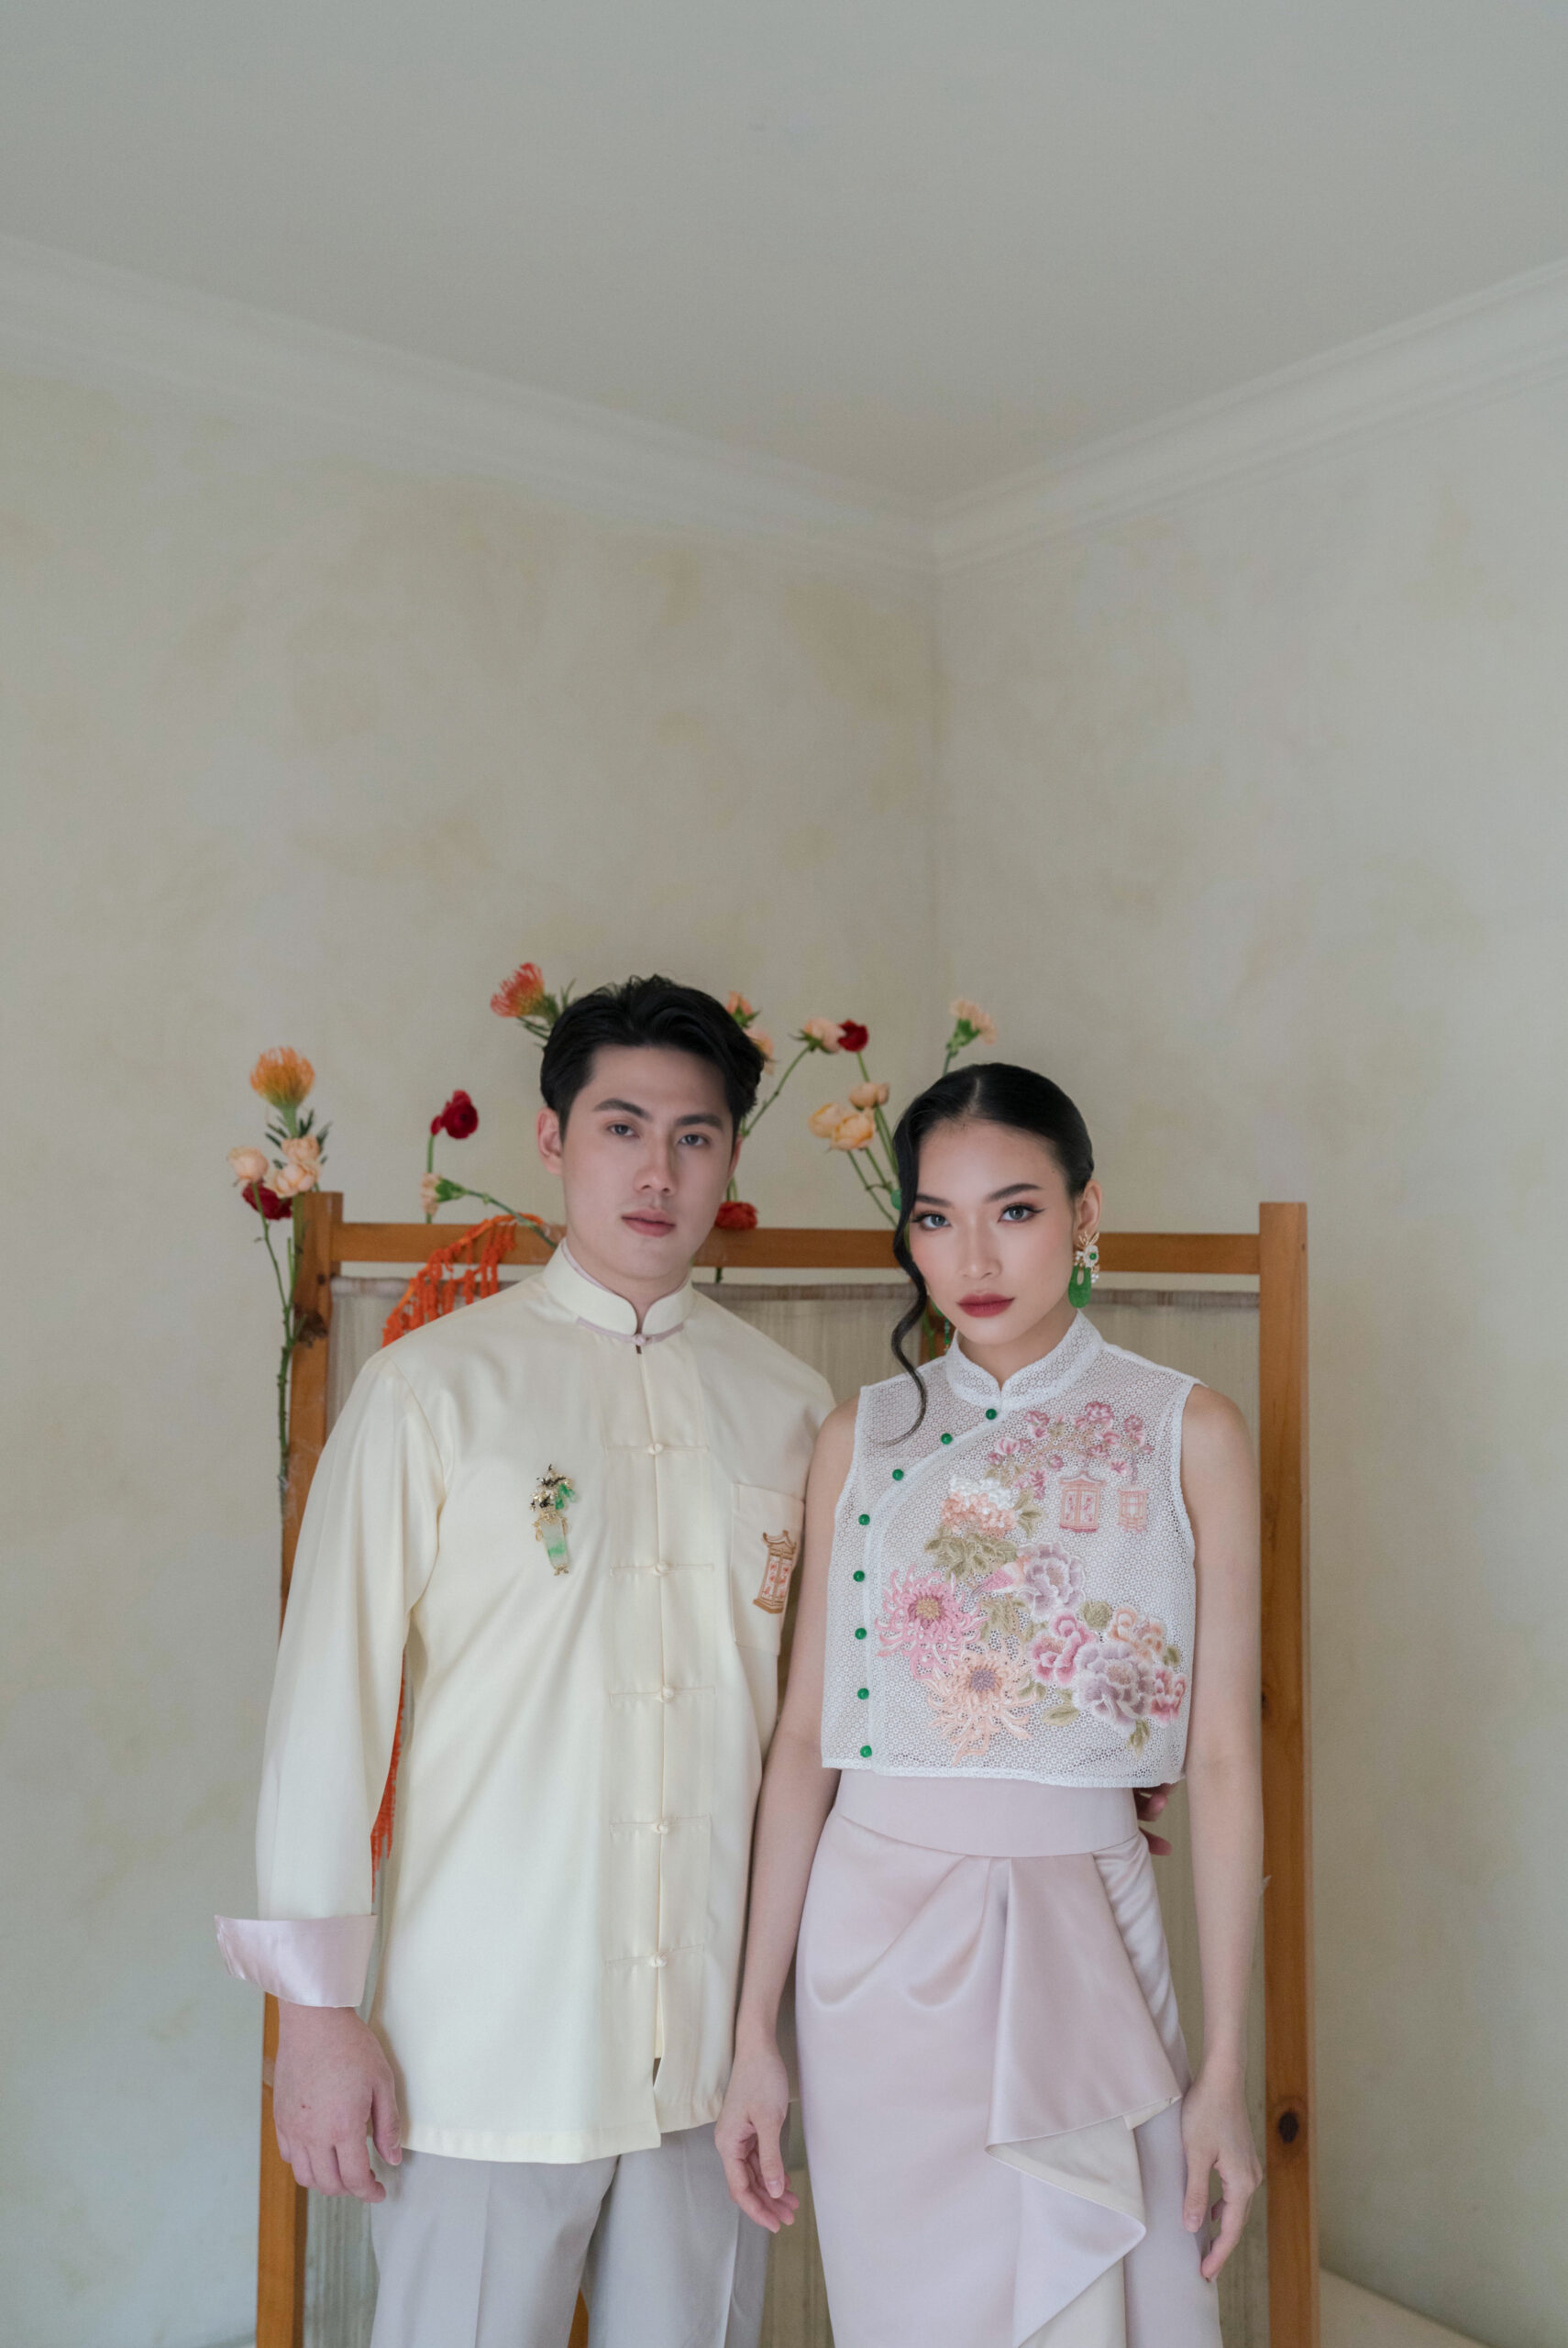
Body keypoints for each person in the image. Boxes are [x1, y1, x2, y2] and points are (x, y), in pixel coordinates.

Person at [216, 976, 834, 2348]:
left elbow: (827, 1724)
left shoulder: (793, 1411)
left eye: (694, 1136)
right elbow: (326, 1710)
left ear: (731, 1160)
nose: (657, 1171)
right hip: (481, 2048)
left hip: (714, 2059)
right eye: (622, 1127)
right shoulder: (432, 1389)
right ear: (554, 1140)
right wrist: (316, 2019)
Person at [716, 1063, 1263, 2346]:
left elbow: (1225, 1758)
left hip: (1088, 1924)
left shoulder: (1184, 1430)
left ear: (1084, 1214)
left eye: (1014, 1211)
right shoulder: (859, 1437)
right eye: (935, 1217)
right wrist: (753, 2037)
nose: (972, 1257)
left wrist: (1226, 2071)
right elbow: (805, 1741)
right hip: (871, 1957)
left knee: (1113, 2295)